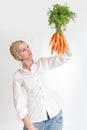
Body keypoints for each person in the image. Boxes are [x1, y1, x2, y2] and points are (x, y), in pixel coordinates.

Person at [10, 40, 72, 130]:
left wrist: (60, 34)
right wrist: (30, 127)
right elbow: (20, 105)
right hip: (35, 122)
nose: (28, 50)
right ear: (18, 56)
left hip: (55, 117)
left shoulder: (43, 63)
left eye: (28, 46)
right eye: (24, 50)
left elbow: (67, 56)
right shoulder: (18, 76)